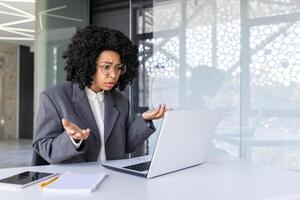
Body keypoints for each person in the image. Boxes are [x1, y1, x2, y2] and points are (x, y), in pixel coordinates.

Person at [32, 25, 166, 165]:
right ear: (89, 65)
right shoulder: (54, 98)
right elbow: (44, 148)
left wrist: (143, 120)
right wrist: (73, 140)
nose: (113, 75)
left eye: (118, 68)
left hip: (112, 179)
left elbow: (124, 146)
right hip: (73, 181)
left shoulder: (121, 101)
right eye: (106, 67)